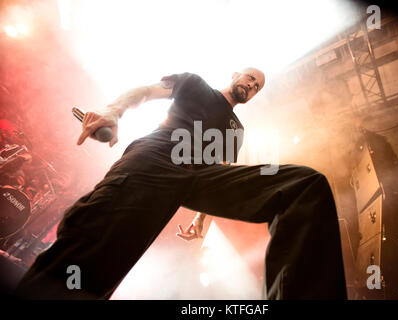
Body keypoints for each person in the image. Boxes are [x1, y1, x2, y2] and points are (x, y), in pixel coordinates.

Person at [14, 68, 347, 299]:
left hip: (197, 176)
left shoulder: (236, 130)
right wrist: (113, 110)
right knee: (98, 250)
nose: (252, 85)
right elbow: (145, 91)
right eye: (250, 77)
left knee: (305, 186)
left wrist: (201, 220)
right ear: (234, 75)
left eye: (258, 86)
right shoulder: (194, 83)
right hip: (158, 158)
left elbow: (221, 168)